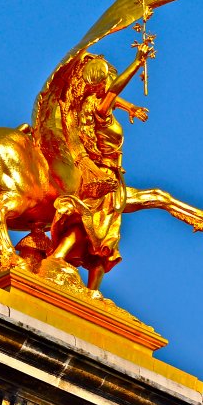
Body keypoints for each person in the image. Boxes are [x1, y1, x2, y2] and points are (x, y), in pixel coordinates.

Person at [48, 42, 152, 290]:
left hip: (112, 177)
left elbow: (115, 97)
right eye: (108, 82)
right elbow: (113, 94)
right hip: (103, 175)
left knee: (104, 238)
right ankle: (56, 259)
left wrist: (130, 108)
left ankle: (92, 291)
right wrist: (137, 62)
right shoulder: (99, 111)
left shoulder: (98, 107)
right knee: (92, 227)